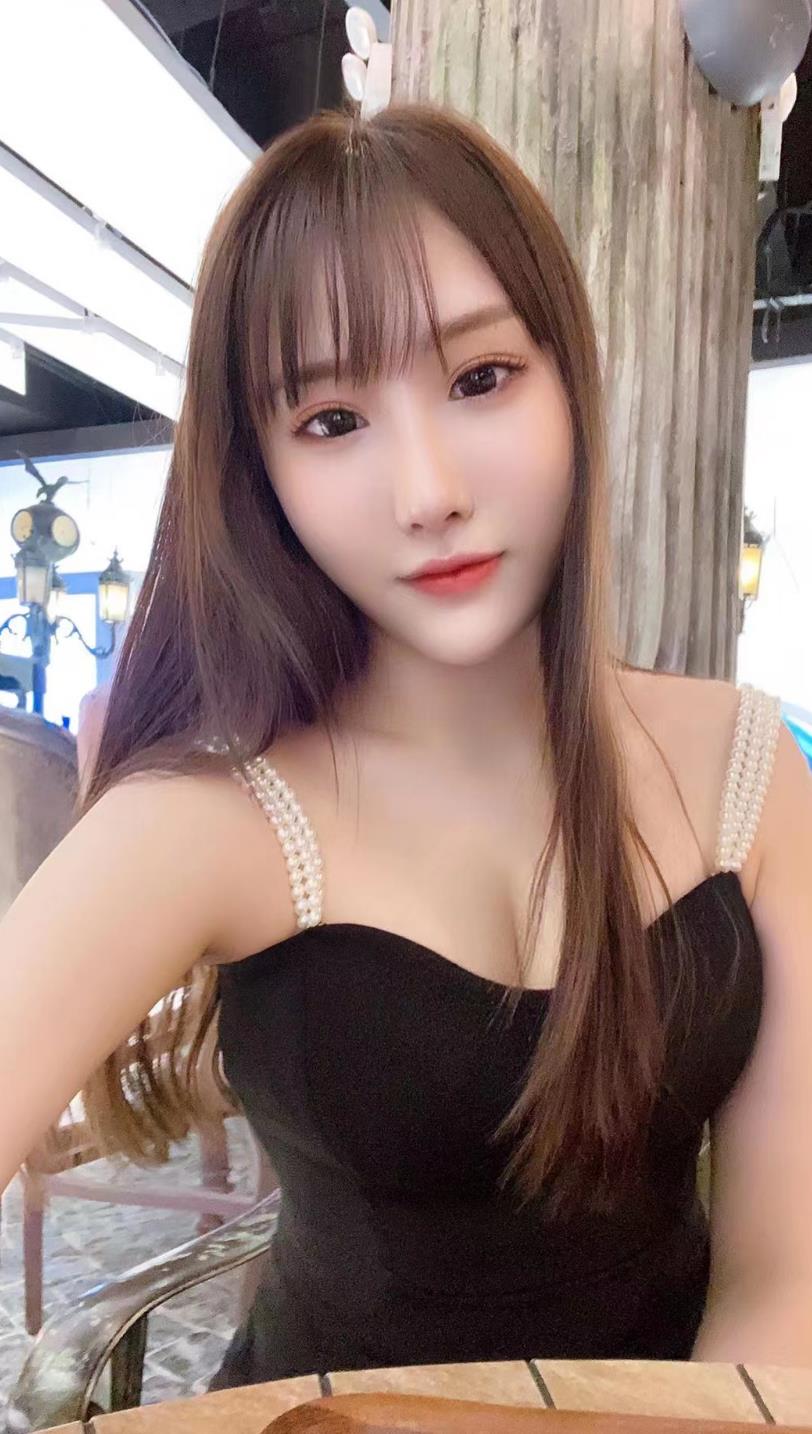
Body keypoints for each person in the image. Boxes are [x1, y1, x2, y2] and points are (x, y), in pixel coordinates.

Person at [1, 102, 811, 1387]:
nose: (428, 491)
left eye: (479, 378)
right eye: (331, 421)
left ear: (568, 377)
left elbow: (782, 1283)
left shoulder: (746, 772)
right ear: (262, 473)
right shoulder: (217, 820)